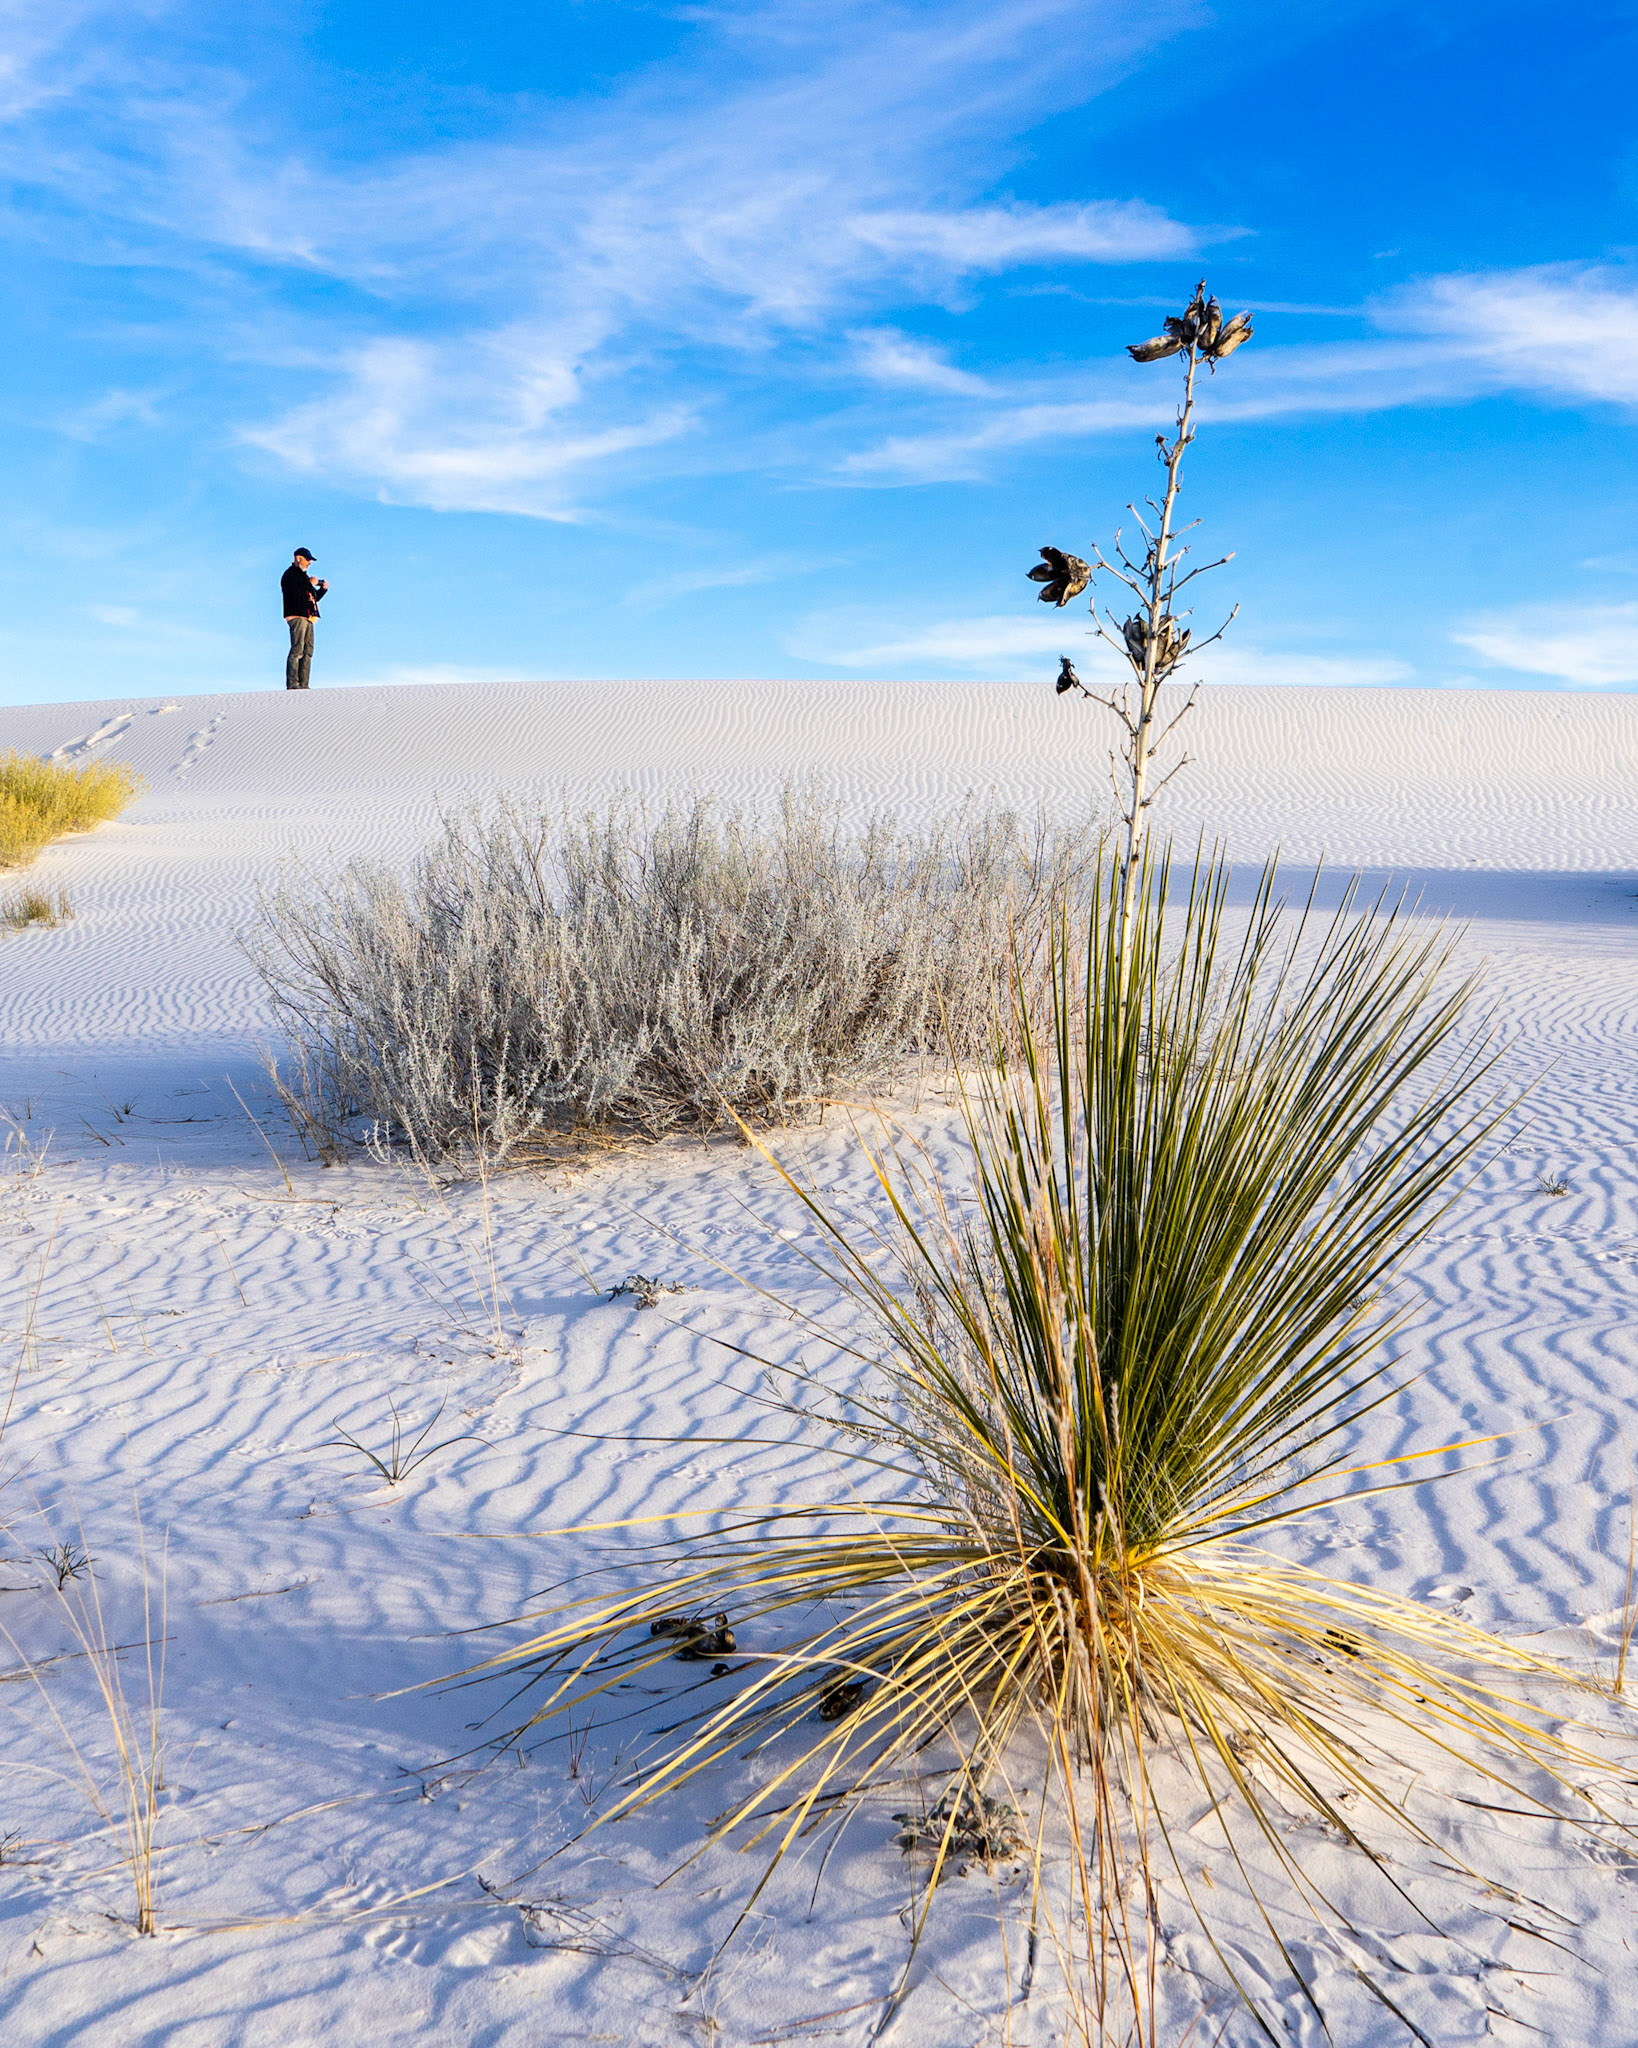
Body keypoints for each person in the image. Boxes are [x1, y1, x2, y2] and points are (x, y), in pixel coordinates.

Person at [280, 548, 329, 690]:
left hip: (309, 617)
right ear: (299, 558)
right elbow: (294, 593)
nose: (309, 563)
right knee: (297, 649)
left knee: (308, 651)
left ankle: (304, 685)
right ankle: (293, 684)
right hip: (296, 616)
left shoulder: (304, 578)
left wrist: (323, 590)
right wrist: (310, 584)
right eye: (308, 560)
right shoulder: (290, 575)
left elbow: (311, 598)